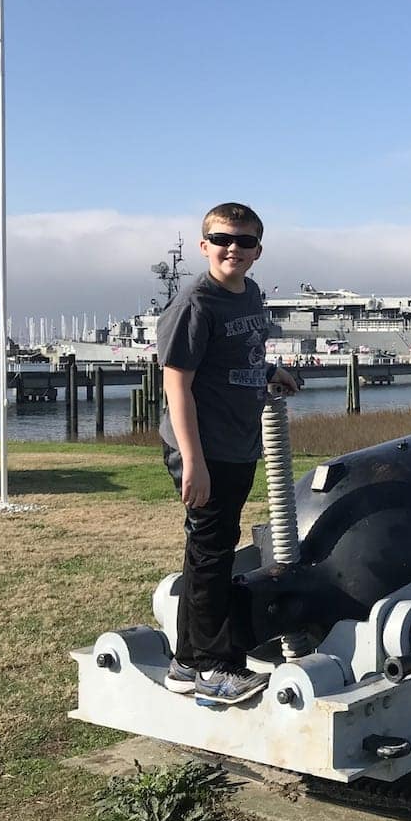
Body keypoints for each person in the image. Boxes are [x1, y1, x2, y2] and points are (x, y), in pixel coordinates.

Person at [157, 202, 300, 704]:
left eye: (244, 241)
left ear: (258, 250)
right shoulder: (195, 303)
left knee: (208, 554)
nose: (232, 249)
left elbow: (241, 356)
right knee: (212, 553)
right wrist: (193, 462)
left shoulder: (250, 295)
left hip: (239, 443)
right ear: (204, 246)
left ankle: (184, 661)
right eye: (222, 239)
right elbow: (178, 385)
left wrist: (267, 374)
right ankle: (213, 668)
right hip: (204, 447)